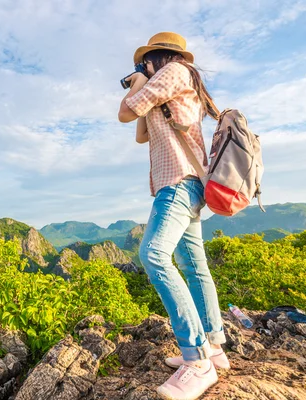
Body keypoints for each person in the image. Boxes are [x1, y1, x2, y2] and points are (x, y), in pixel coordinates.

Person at [118, 32, 229, 400]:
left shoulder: (176, 71)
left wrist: (138, 83)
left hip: (178, 183)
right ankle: (213, 345)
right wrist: (142, 85)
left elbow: (124, 112)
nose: (140, 69)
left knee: (153, 254)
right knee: (193, 263)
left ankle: (197, 360)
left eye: (143, 64)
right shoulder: (170, 82)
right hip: (188, 183)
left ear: (156, 58)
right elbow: (139, 134)